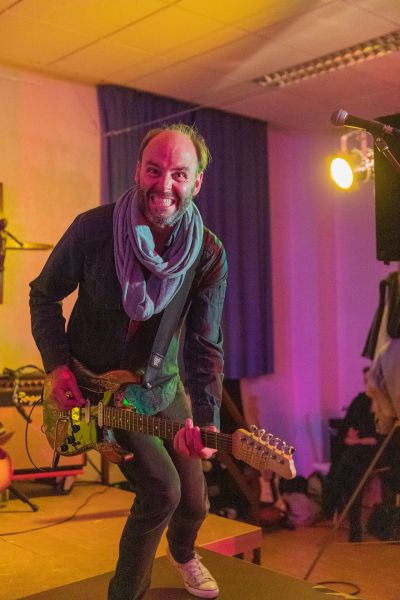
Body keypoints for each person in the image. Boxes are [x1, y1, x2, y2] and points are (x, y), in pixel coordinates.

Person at [29, 123, 227, 600]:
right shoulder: (92, 230)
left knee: (194, 501)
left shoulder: (208, 253)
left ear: (197, 182)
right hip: (97, 388)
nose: (165, 185)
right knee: (162, 492)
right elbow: (43, 296)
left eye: (179, 174)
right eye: (154, 170)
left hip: (161, 384)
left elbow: (205, 344)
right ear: (138, 170)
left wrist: (207, 420)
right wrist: (57, 365)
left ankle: (183, 553)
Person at [324, 366, 385, 542]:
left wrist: (358, 441)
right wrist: (348, 436)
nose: (367, 385)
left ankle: (333, 498)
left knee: (349, 462)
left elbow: (379, 437)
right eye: (365, 381)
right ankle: (354, 525)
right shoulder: (360, 400)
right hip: (357, 451)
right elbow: (347, 425)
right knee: (352, 470)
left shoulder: (386, 402)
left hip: (379, 451)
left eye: (370, 380)